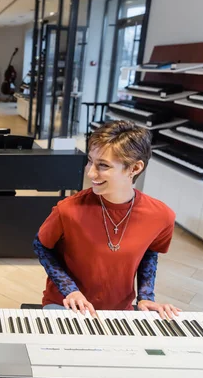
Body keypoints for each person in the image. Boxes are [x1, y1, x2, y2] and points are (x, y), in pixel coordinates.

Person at [33, 120, 180, 319]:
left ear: (135, 168)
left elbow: (149, 253)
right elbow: (41, 246)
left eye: (103, 165)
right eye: (90, 161)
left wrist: (146, 297)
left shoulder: (162, 216)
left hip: (119, 309)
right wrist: (70, 290)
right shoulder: (67, 209)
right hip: (65, 304)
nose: (91, 172)